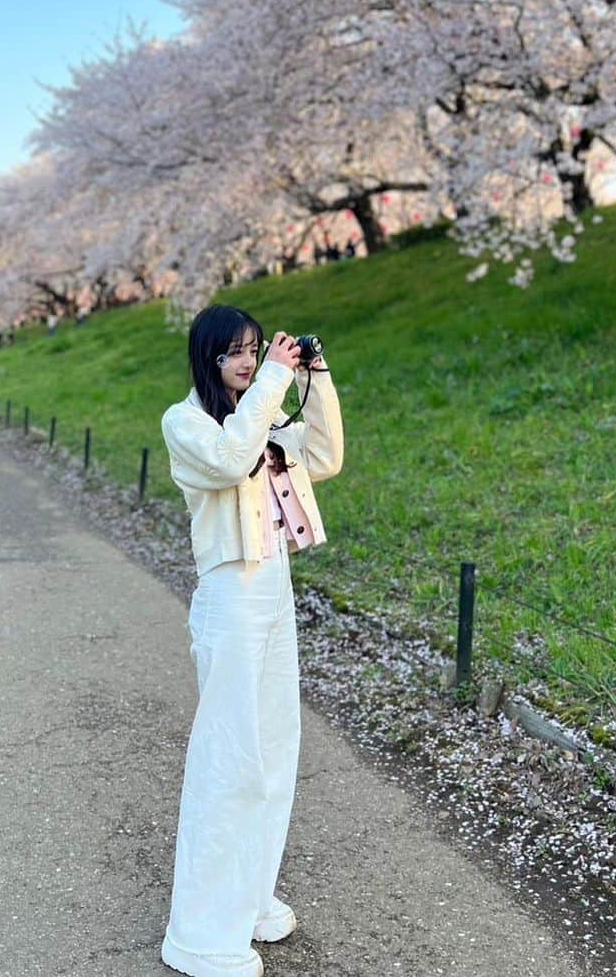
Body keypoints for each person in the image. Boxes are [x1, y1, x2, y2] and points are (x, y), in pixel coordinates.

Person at [159, 306, 344, 977]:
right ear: (206, 358)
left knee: (271, 752)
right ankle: (201, 934)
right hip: (229, 597)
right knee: (229, 756)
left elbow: (324, 456)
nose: (247, 361)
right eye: (233, 353)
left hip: (273, 588)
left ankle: (247, 896)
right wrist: (270, 383)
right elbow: (234, 458)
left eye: (255, 350)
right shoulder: (188, 425)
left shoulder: (262, 413)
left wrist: (314, 380)